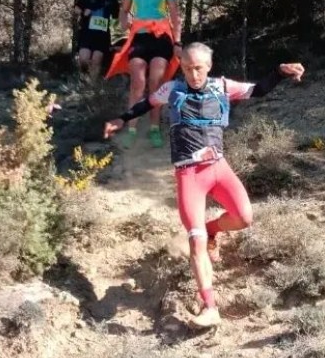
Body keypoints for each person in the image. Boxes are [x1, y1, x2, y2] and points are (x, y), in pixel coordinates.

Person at [104, 43, 305, 329]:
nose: (193, 74)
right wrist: (121, 119)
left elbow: (257, 90)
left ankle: (213, 230)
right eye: (187, 68)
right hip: (189, 175)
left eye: (198, 67)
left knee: (244, 217)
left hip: (218, 168)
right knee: (195, 242)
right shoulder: (172, 89)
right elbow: (147, 103)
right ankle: (209, 306)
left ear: (209, 66)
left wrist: (279, 72)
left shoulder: (222, 86)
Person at [109, 0, 182, 149]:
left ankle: (154, 128)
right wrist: (123, 21)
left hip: (161, 36)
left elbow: (175, 15)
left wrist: (177, 41)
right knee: (138, 82)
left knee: (156, 82)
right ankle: (131, 128)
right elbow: (124, 10)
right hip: (140, 36)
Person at [72, 0, 119, 77]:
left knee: (96, 61)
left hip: (102, 36)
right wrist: (83, 12)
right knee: (84, 59)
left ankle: (92, 87)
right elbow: (76, 8)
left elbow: (116, 19)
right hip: (87, 33)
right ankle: (82, 79)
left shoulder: (113, 0)